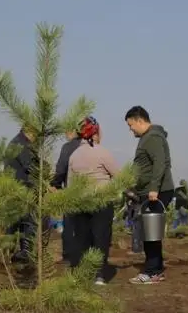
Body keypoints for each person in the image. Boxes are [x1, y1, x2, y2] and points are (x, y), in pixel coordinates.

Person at [124, 105, 175, 284]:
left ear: (139, 120)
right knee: (150, 231)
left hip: (156, 192)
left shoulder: (152, 137)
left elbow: (159, 163)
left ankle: (152, 271)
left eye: (131, 125)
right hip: (150, 191)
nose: (131, 130)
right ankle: (156, 268)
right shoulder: (148, 137)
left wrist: (154, 188)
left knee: (150, 233)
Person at [66, 116, 118, 285]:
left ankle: (84, 272)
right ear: (95, 132)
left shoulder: (74, 155)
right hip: (101, 202)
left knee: (83, 238)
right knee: (100, 237)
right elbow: (118, 175)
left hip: (80, 202)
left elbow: (70, 183)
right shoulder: (102, 152)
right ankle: (100, 275)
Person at [5, 125, 39, 263]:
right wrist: (44, 171)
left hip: (13, 189)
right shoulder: (22, 144)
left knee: (13, 223)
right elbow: (30, 166)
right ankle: (25, 253)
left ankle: (9, 251)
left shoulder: (15, 142)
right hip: (22, 189)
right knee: (28, 222)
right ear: (29, 131)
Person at [53, 131, 82, 263]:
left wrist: (56, 184)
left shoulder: (68, 147)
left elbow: (61, 168)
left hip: (72, 190)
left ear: (71, 132)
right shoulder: (88, 145)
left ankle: (69, 255)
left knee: (69, 224)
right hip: (90, 191)